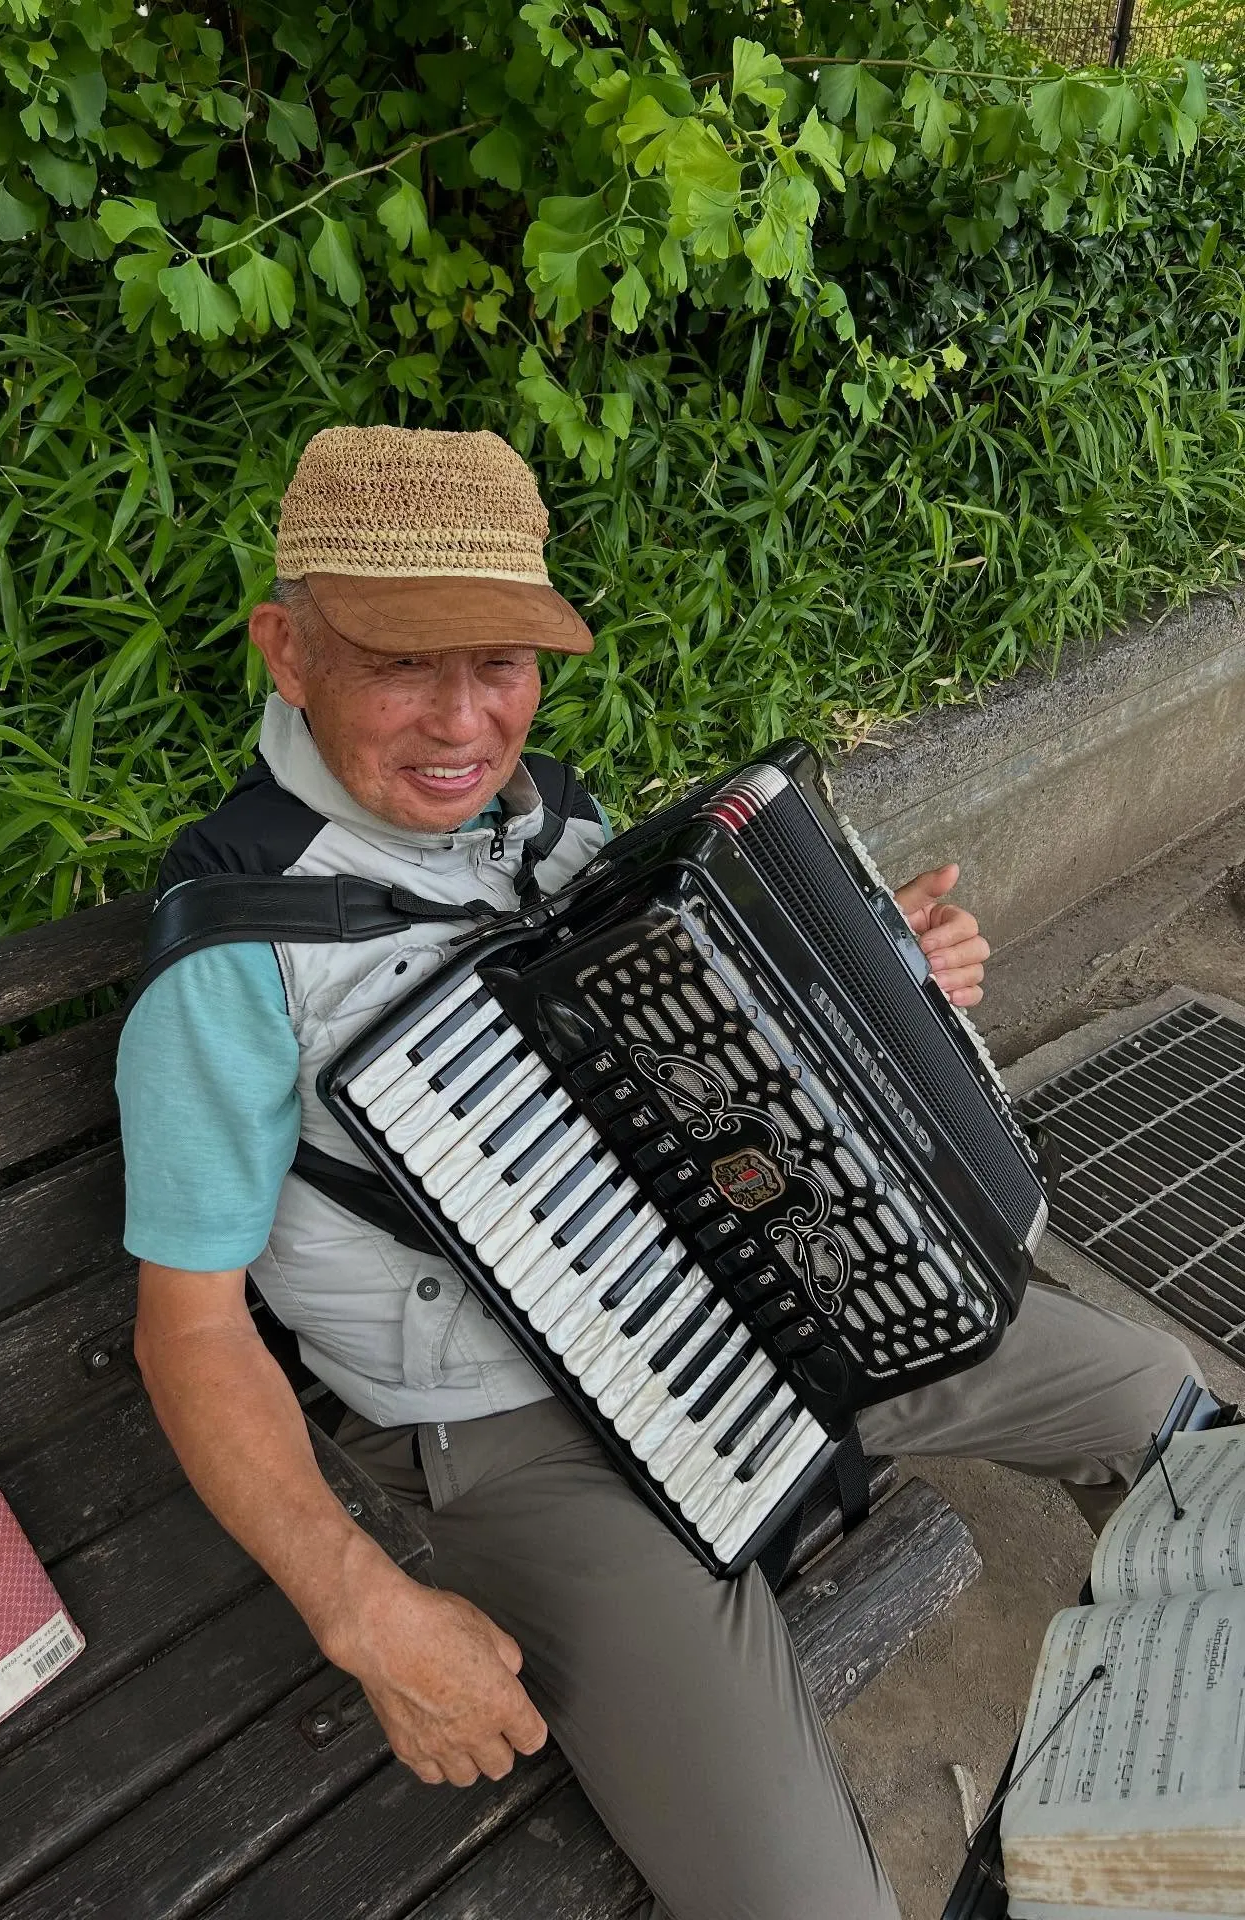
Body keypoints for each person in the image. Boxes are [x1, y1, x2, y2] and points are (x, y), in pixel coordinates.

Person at [117, 425, 1197, 1920]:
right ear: (287, 650)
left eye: (501, 662)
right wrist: (364, 1611)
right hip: (514, 1436)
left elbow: (722, 1071)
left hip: (759, 1291)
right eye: (400, 663)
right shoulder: (234, 957)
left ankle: (1144, 1836)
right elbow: (188, 1326)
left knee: (1187, 1438)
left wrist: (894, 981)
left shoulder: (553, 821)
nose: (462, 720)